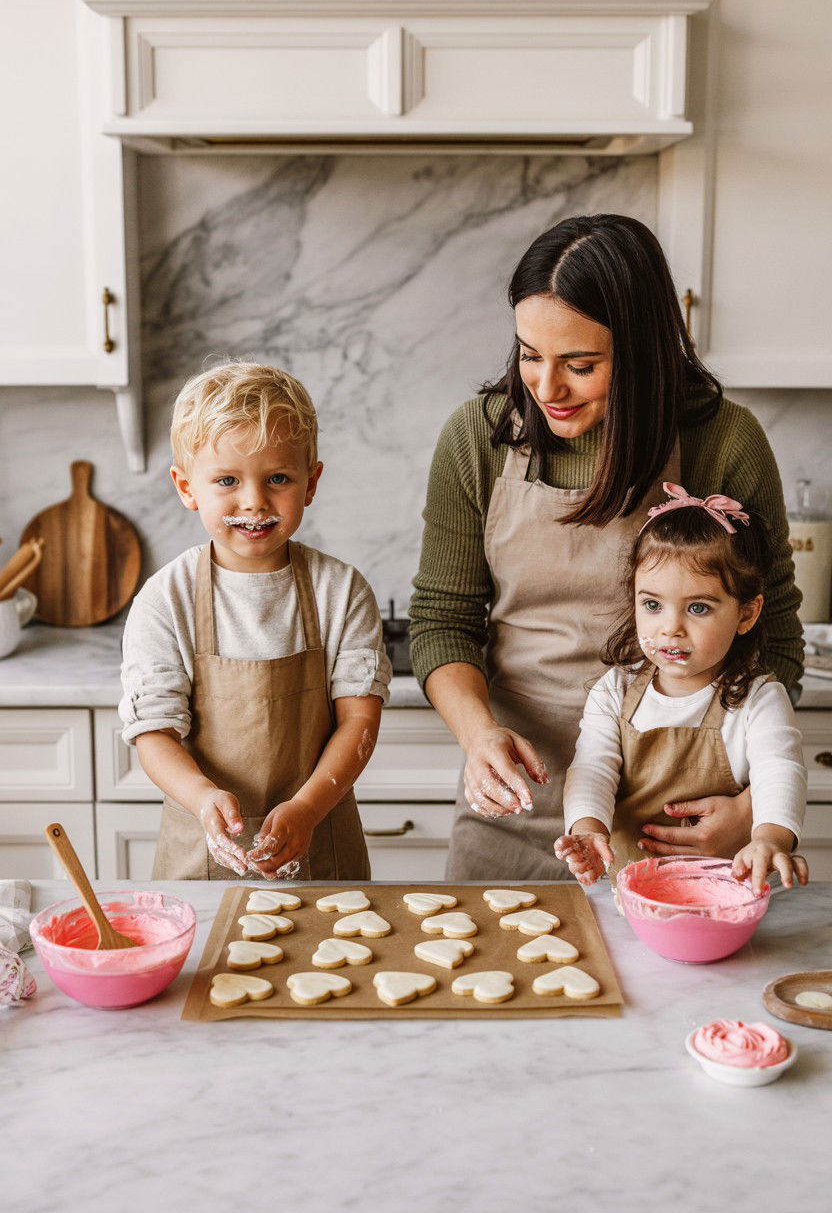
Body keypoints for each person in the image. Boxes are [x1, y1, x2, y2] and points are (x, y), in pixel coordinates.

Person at [409, 214, 803, 881]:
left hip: (675, 821)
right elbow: (442, 619)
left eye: (581, 365)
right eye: (530, 355)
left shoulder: (722, 440)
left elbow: (779, 632)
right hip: (517, 796)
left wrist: (753, 806)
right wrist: (479, 736)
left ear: (643, 351)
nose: (547, 388)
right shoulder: (478, 438)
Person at [119, 361, 391, 880]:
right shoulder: (165, 598)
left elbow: (359, 722)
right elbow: (154, 733)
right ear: (186, 486)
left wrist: (308, 809)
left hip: (321, 850)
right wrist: (203, 798)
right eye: (226, 479)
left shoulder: (341, 591)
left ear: (310, 483)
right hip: (202, 857)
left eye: (278, 478)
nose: (254, 501)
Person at [554, 484, 808, 895]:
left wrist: (770, 840)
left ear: (746, 613)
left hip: (727, 897)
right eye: (652, 604)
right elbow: (592, 769)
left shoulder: (758, 699)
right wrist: (587, 828)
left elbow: (779, 771)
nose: (670, 627)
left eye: (698, 608)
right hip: (627, 897)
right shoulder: (614, 691)